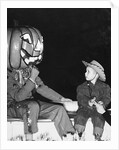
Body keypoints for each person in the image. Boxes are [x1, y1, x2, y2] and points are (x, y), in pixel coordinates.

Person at [7, 66, 75, 141]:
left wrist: (61, 98)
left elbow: (41, 87)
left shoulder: (28, 70)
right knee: (32, 106)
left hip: (30, 103)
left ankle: (69, 139)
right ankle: (29, 140)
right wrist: (32, 78)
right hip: (12, 105)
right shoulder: (7, 72)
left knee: (59, 109)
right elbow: (18, 97)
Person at [74, 60, 111, 141]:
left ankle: (97, 136)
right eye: (85, 71)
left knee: (99, 118)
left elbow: (107, 97)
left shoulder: (105, 87)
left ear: (97, 74)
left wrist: (103, 103)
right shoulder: (81, 87)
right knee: (80, 116)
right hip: (84, 108)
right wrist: (88, 102)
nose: (85, 73)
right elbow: (80, 97)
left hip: (98, 110)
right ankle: (79, 134)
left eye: (88, 71)